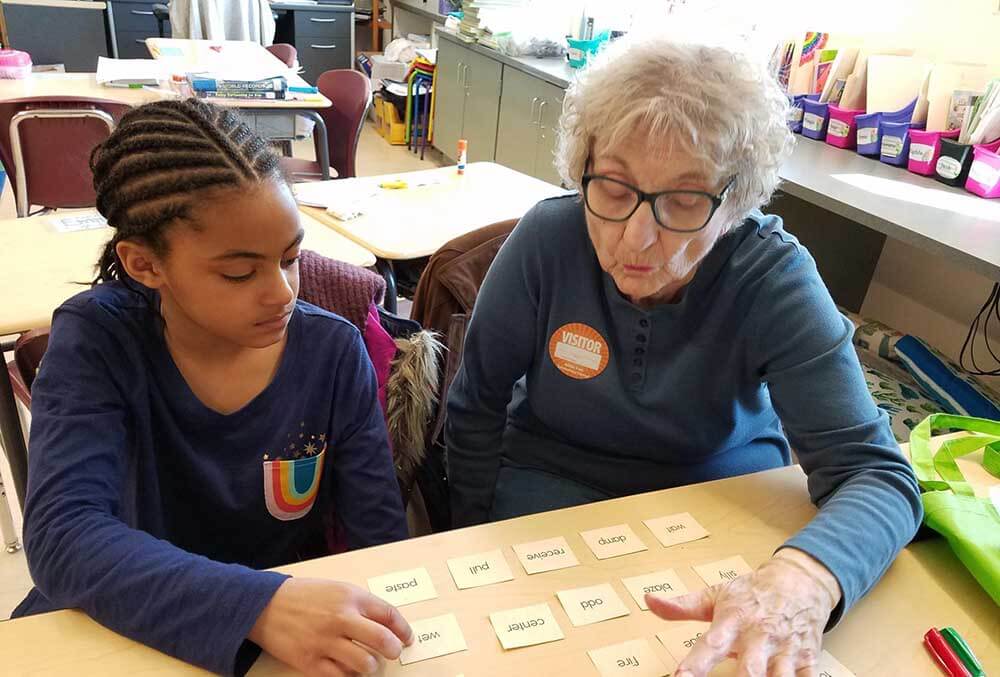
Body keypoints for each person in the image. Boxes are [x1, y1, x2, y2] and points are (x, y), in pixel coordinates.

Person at [446, 36, 923, 676]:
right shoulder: (546, 240)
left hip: (718, 509)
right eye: (613, 188)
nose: (636, 239)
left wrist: (803, 578)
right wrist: (466, 545)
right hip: (547, 495)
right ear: (581, 167)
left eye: (685, 200)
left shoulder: (773, 278)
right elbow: (475, 405)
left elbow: (879, 476)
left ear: (737, 200)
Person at [13, 99, 413, 677]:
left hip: (279, 624)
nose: (282, 293)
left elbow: (383, 541)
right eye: (238, 273)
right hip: (123, 612)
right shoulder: (98, 340)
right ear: (144, 264)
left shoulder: (332, 353)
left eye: (291, 257)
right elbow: (63, 538)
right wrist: (257, 605)